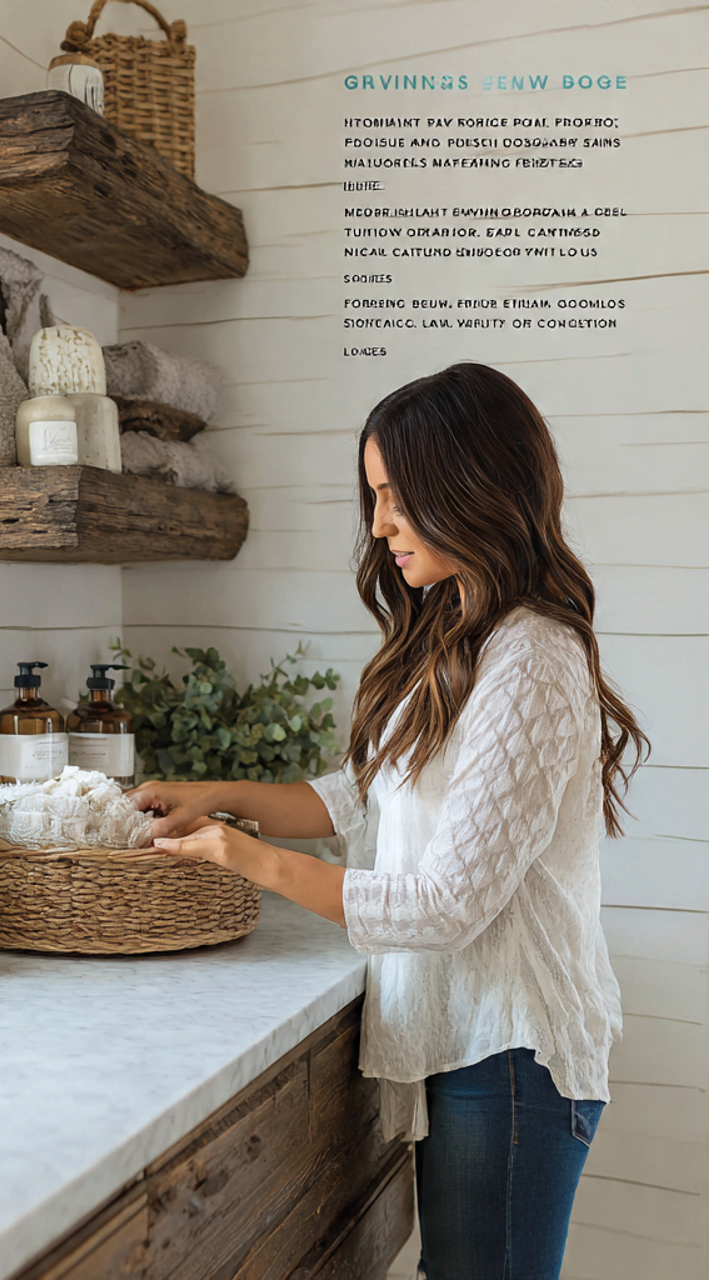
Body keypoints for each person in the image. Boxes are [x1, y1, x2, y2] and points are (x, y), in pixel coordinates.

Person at [132, 362, 648, 1280]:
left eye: (397, 497)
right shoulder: (458, 631)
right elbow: (366, 796)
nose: (378, 525)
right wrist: (219, 795)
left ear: (473, 486)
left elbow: (447, 905)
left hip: (512, 1056)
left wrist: (246, 859)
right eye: (374, 498)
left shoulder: (529, 657)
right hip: (475, 1043)